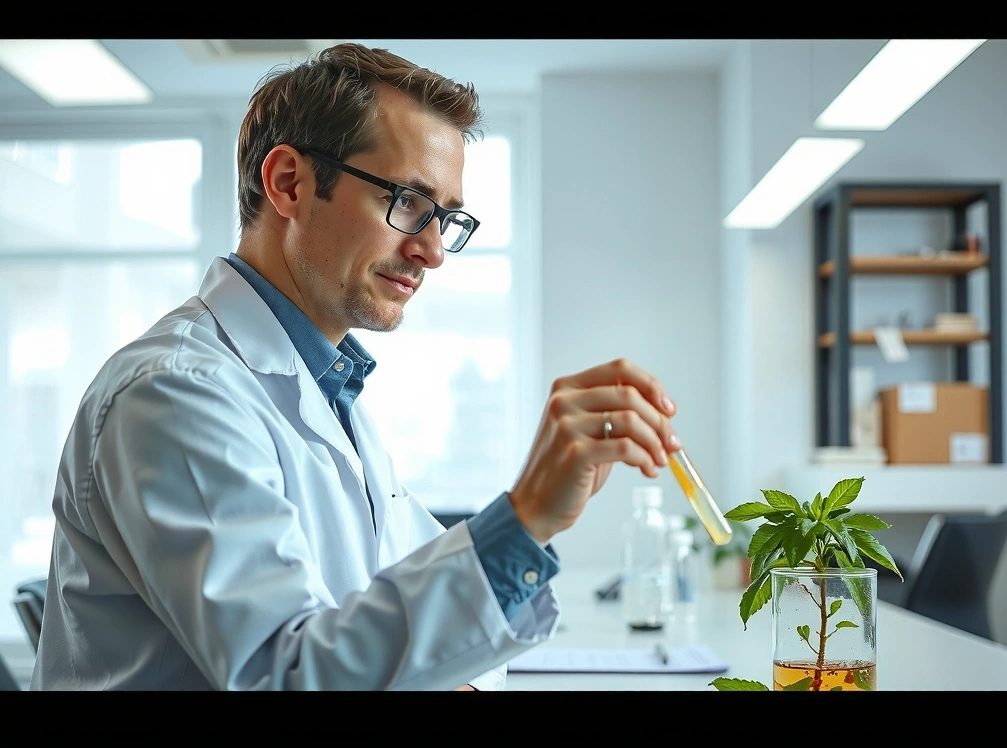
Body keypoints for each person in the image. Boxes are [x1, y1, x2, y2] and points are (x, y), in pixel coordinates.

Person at [30, 42, 681, 691]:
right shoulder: (175, 394)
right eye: (406, 202)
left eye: (447, 218)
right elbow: (287, 676)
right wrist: (527, 514)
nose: (432, 252)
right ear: (289, 183)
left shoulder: (328, 388)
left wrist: (542, 519)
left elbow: (404, 617)